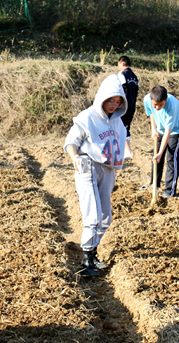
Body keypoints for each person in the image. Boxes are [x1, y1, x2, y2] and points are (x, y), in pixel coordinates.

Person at [64, 74, 127, 277]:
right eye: (110, 100)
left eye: (117, 102)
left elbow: (121, 141)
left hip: (108, 169)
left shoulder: (118, 122)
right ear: (102, 98)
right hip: (88, 165)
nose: (113, 105)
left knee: (105, 217)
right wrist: (75, 157)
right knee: (92, 214)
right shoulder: (88, 117)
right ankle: (86, 260)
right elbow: (71, 141)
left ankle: (93, 252)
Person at [141, 85, 179, 197]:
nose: (157, 107)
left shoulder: (171, 106)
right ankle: (154, 184)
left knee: (171, 157)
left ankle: (169, 190)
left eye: (160, 105)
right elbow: (151, 113)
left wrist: (161, 153)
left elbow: (168, 132)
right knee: (155, 157)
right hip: (160, 128)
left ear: (165, 100)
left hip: (176, 129)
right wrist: (154, 129)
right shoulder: (147, 99)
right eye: (155, 105)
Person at [117, 56, 139, 160]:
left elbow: (119, 90)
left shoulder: (122, 74)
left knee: (122, 126)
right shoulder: (134, 76)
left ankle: (128, 151)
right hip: (133, 104)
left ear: (121, 63)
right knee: (126, 126)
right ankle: (125, 150)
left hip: (124, 105)